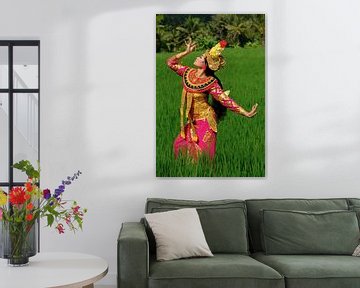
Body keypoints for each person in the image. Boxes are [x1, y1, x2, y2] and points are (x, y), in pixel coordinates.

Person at [167, 39, 258, 161]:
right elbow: (171, 63)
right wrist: (186, 51)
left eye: (200, 57)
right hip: (193, 120)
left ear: (205, 65)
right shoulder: (188, 73)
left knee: (202, 154)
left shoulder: (211, 83)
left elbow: (225, 100)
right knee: (179, 146)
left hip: (206, 119)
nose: (197, 57)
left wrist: (245, 112)